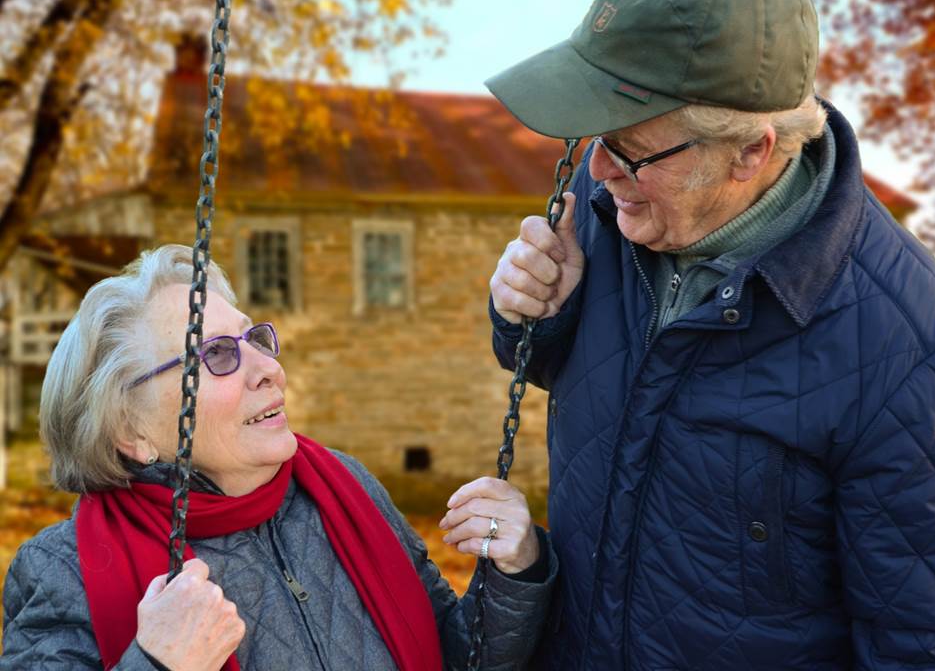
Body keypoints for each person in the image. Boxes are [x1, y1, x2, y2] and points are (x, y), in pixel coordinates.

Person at [485, 0, 935, 669]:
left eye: (631, 150)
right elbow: (573, 376)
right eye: (595, 140)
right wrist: (533, 314)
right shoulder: (613, 204)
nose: (601, 170)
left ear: (750, 153)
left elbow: (923, 644)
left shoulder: (913, 350)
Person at [1, 244, 556, 671]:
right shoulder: (62, 570)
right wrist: (157, 662)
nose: (267, 367)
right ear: (131, 430)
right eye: (216, 355)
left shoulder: (345, 489)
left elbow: (455, 656)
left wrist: (512, 572)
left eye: (255, 340)